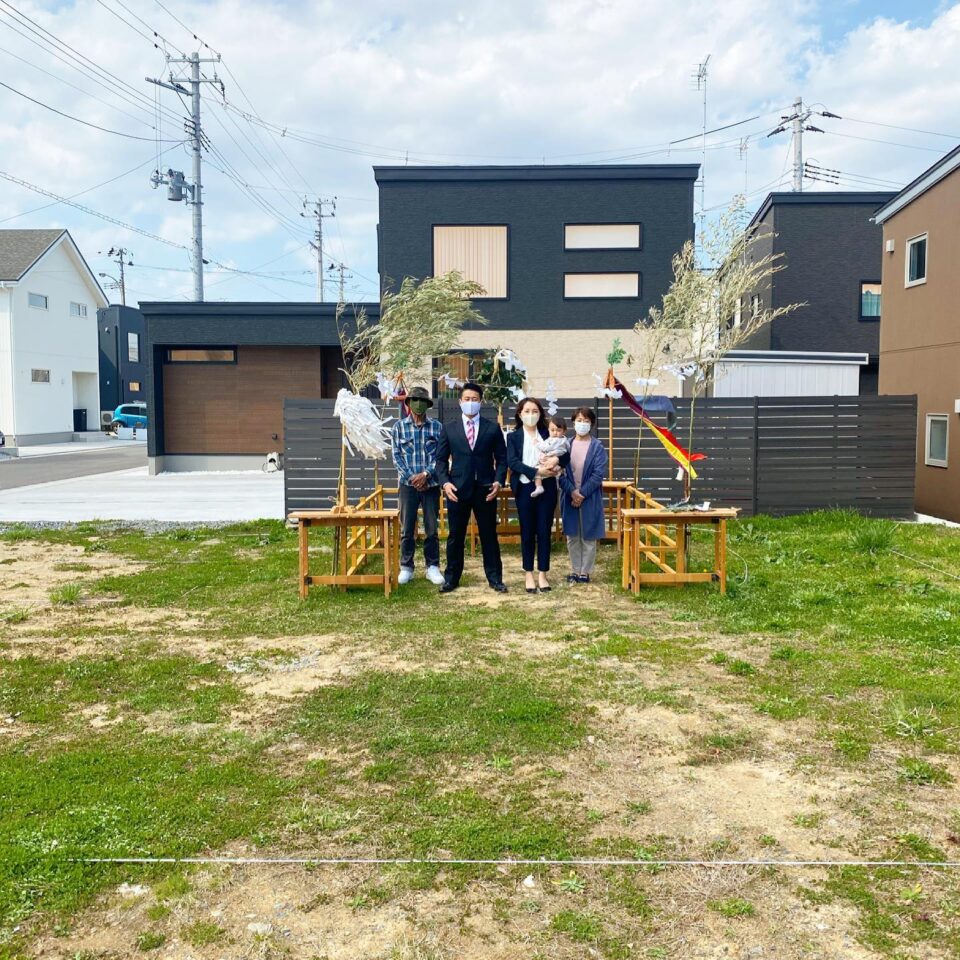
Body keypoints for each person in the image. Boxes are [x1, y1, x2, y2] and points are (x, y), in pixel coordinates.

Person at [435, 382, 508, 594]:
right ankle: (451, 579)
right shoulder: (449, 428)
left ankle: (495, 578)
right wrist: (445, 482)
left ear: (480, 402)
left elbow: (502, 459)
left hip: (486, 489)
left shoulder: (492, 428)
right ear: (460, 402)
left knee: (489, 535)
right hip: (457, 489)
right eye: (467, 399)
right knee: (455, 536)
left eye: (474, 399)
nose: (470, 403)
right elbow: (440, 460)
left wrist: (498, 481)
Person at [507, 400, 570, 594]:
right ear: (520, 413)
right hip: (524, 487)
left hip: (548, 487)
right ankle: (528, 573)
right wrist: (535, 472)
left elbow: (566, 454)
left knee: (544, 530)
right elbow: (513, 462)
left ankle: (543, 573)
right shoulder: (513, 436)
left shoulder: (548, 432)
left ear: (540, 414)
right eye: (527, 411)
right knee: (527, 531)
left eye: (535, 411)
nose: (531, 414)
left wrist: (556, 459)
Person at [390, 386, 445, 586]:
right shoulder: (398, 427)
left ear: (428, 405)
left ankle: (432, 566)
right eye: (414, 400)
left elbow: (441, 456)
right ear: (408, 404)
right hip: (407, 485)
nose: (418, 404)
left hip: (431, 484)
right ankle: (406, 567)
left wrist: (426, 474)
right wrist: (412, 477)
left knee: (432, 527)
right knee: (407, 527)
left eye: (422, 401)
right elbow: (396, 456)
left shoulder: (437, 427)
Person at [559, 406, 608, 584]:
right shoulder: (565, 445)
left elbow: (598, 474)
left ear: (592, 424)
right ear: (573, 422)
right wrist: (572, 492)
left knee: (589, 535)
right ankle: (574, 569)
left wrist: (581, 494)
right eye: (579, 420)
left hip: (590, 496)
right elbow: (560, 472)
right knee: (572, 535)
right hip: (569, 496)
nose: (582, 424)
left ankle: (585, 572)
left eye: (586, 421)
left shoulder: (597, 447)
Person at [532, 418, 570, 498]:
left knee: (536, 471)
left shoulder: (556, 440)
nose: (555, 432)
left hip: (552, 460)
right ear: (548, 430)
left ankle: (539, 486)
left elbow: (546, 447)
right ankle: (540, 486)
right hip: (555, 464)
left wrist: (537, 444)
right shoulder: (564, 440)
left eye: (558, 430)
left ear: (564, 431)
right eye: (552, 430)